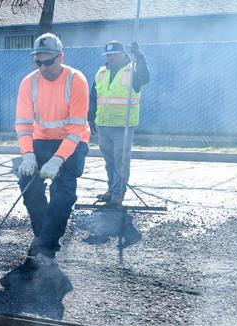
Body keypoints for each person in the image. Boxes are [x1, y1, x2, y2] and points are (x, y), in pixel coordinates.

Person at [14, 33, 90, 267]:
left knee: (63, 194)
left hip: (73, 142)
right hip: (40, 141)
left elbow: (77, 128)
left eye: (48, 61)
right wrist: (28, 153)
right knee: (28, 185)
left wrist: (57, 160)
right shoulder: (29, 82)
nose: (44, 67)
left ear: (61, 57)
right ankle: (43, 236)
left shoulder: (76, 80)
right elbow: (23, 124)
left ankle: (45, 247)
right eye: (39, 62)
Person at [88, 40, 149, 207]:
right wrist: (90, 118)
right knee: (109, 160)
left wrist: (140, 56)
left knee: (120, 160)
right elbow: (94, 97)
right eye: (108, 55)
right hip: (103, 124)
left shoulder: (132, 71)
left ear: (123, 54)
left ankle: (118, 193)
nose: (111, 57)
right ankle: (111, 189)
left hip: (123, 125)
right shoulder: (101, 73)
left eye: (114, 54)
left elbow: (145, 78)